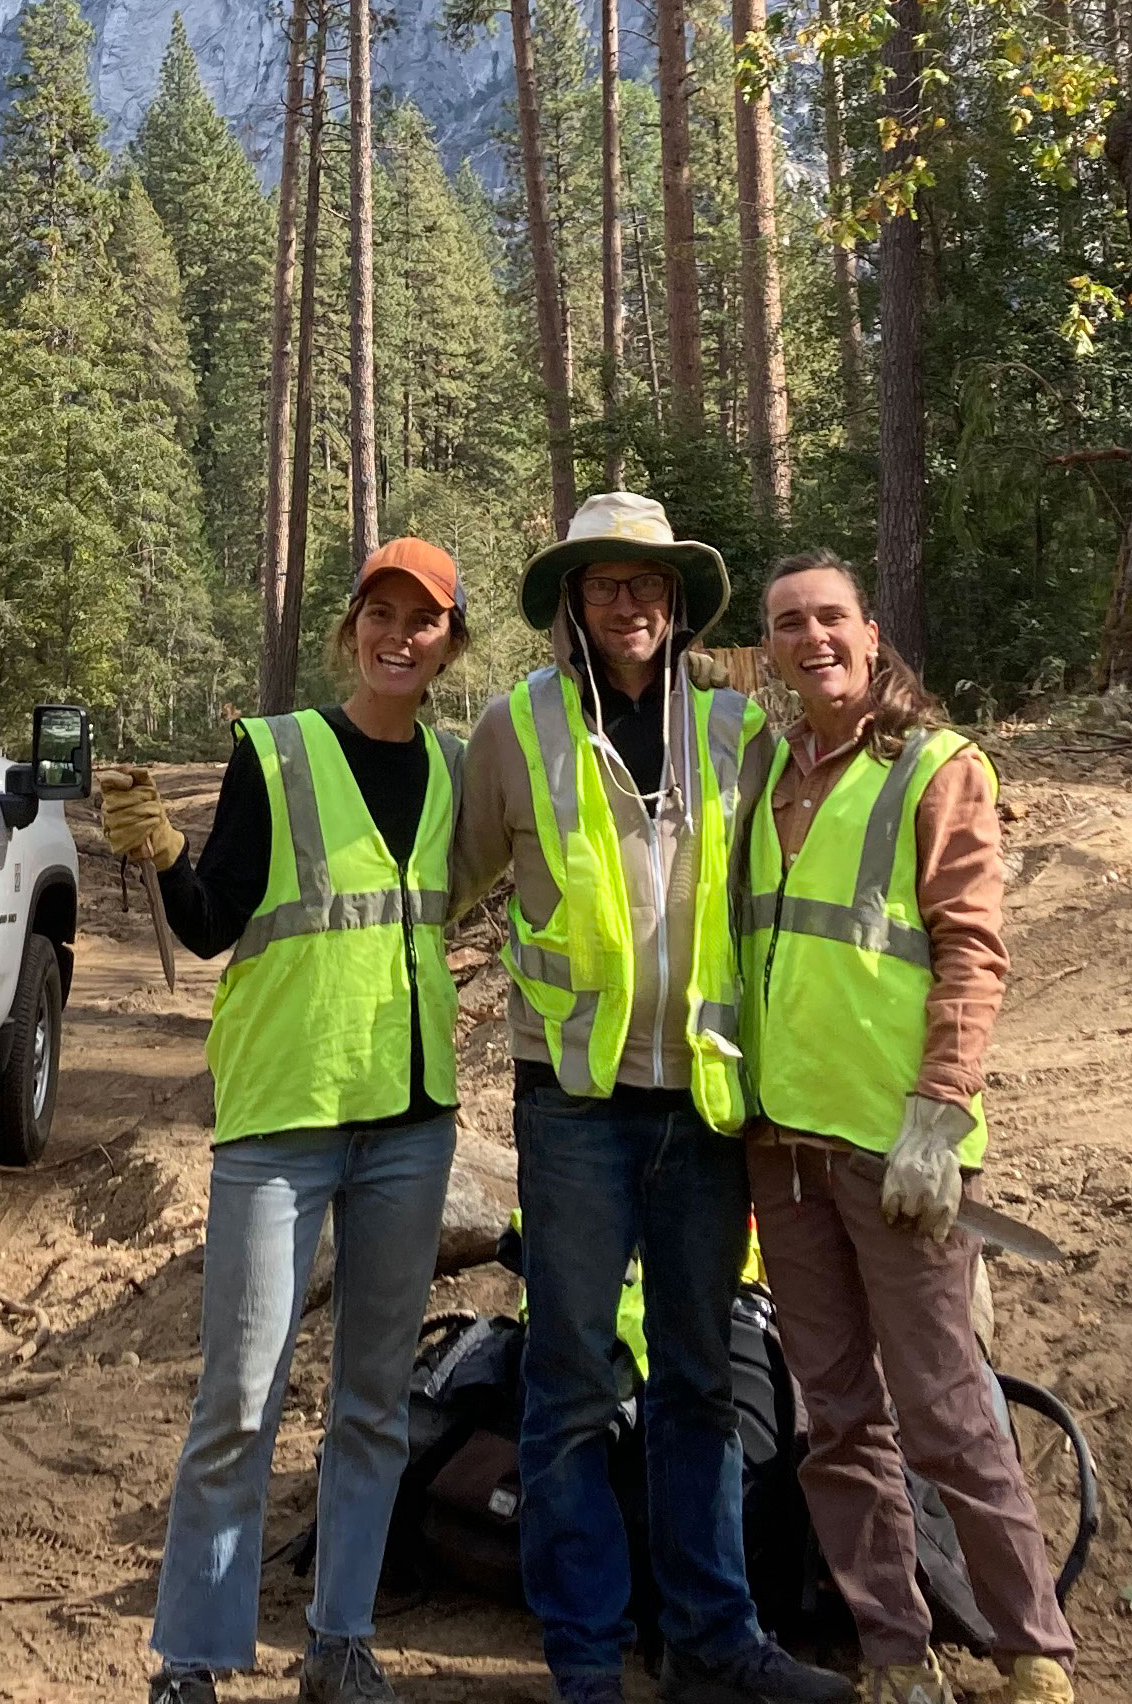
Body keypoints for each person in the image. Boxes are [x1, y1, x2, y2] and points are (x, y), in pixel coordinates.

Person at [453, 493, 844, 1704]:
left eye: (648, 582)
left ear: (677, 603)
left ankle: (714, 1641)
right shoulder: (515, 725)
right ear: (573, 601)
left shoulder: (737, 732)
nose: (629, 601)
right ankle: (585, 1659)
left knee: (698, 1377)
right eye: (605, 581)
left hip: (707, 1104)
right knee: (570, 1383)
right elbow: (449, 881)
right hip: (573, 1103)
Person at [95, 540, 477, 1704]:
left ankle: (341, 1641)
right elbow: (211, 924)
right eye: (380, 611)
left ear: (449, 642)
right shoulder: (277, 750)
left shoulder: (461, 770)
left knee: (373, 1400)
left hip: (411, 1121)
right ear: (350, 627)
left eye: (423, 618)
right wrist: (163, 854)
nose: (398, 633)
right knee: (241, 1398)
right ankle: (194, 1659)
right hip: (283, 1118)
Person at [734, 552, 1078, 1704]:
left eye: (830, 617)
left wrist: (941, 1105)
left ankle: (1033, 1649)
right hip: (784, 1154)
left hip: (899, 1157)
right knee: (836, 1420)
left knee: (946, 1407)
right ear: (771, 647)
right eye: (789, 624)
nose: (811, 638)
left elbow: (974, 948)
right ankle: (896, 1653)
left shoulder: (937, 768)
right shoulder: (772, 774)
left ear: (871, 634)